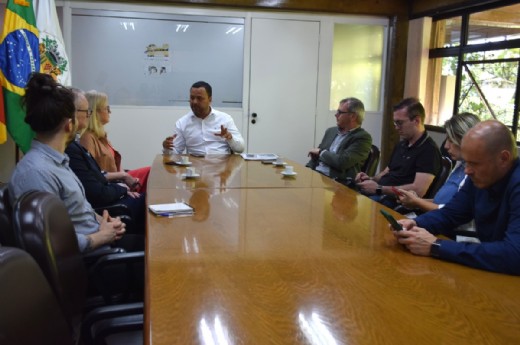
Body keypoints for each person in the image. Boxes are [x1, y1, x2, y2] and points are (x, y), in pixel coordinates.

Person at [8, 73, 125, 253]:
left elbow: (78, 211)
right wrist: (100, 237)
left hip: (102, 244)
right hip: (91, 263)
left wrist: (105, 222)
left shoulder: (59, 161)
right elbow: (51, 244)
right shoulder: (36, 173)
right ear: (70, 125)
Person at [393, 120, 520, 275]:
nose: (467, 171)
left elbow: (515, 255)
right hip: (495, 271)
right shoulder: (480, 177)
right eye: (466, 163)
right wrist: (415, 223)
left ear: (504, 158)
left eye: (474, 164)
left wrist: (436, 246)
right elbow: (451, 213)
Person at [65, 89, 145, 240]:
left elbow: (96, 178)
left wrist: (123, 188)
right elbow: (95, 191)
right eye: (106, 108)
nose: (110, 111)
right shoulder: (81, 143)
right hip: (101, 219)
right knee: (148, 200)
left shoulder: (89, 141)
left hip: (104, 209)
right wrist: (122, 187)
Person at [355, 98, 441, 209]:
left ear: (417, 121)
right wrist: (370, 180)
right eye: (395, 123)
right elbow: (387, 171)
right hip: (381, 194)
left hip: (396, 202)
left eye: (400, 123)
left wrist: (379, 188)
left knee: (357, 207)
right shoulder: (402, 144)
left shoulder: (429, 150)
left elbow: (418, 190)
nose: (396, 127)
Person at [396, 112, 480, 212]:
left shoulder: (475, 174)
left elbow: (453, 212)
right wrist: (416, 201)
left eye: (451, 140)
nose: (446, 146)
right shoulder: (460, 164)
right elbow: (440, 202)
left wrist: (417, 202)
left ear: (466, 141)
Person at [80, 90, 150, 192]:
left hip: (118, 180)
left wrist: (124, 178)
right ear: (96, 111)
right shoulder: (87, 138)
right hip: (109, 185)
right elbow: (93, 174)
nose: (110, 111)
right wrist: (123, 179)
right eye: (107, 108)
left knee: (151, 172)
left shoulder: (101, 136)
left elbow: (117, 164)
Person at [162, 81, 244, 156]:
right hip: (195, 167)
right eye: (192, 98)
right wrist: (167, 148)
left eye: (199, 98)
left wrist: (230, 138)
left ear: (210, 99)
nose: (194, 102)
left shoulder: (225, 119)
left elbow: (240, 149)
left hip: (222, 167)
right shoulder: (182, 123)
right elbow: (175, 153)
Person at [306, 97, 372, 181]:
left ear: (353, 116)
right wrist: (307, 169)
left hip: (336, 183)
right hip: (317, 176)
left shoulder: (363, 138)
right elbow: (315, 157)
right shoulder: (331, 131)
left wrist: (320, 152)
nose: (336, 115)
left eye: (340, 112)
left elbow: (342, 162)